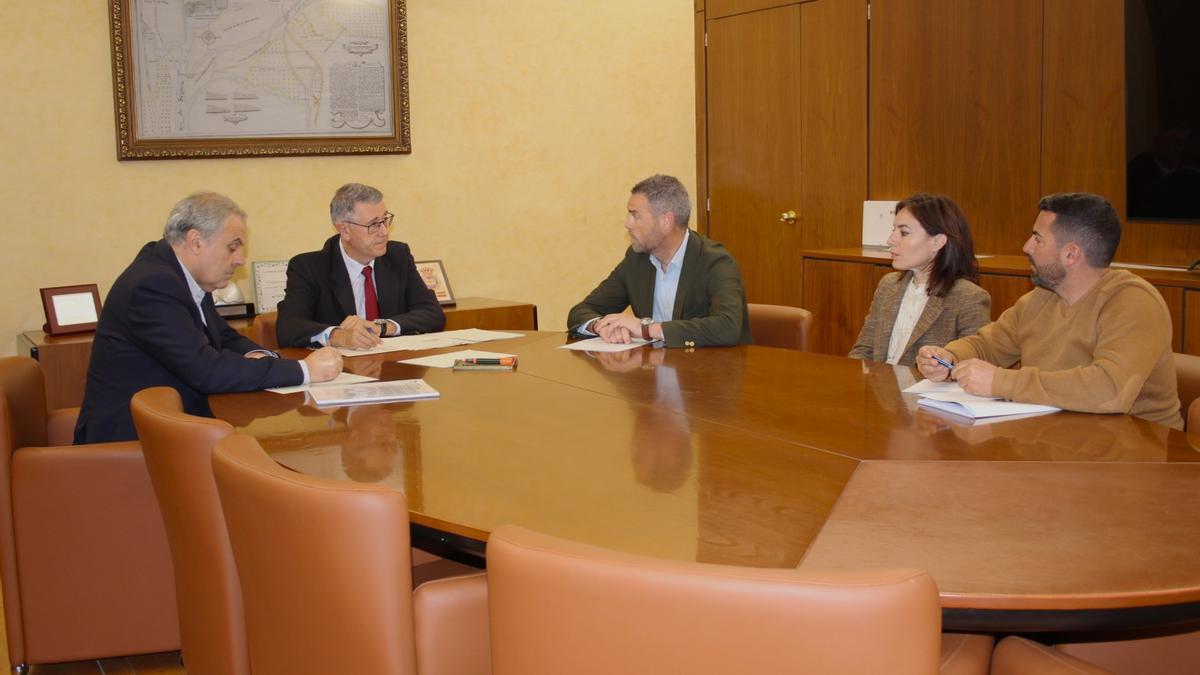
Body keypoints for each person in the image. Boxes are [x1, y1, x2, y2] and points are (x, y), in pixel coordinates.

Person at [74, 192, 343, 444]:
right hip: (134, 442)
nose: (240, 259)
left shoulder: (177, 273)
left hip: (176, 425)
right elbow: (207, 371)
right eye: (233, 247)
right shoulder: (154, 285)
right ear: (196, 241)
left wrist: (260, 355)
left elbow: (223, 337)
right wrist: (305, 370)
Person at [916, 192, 1182, 429]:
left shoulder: (1133, 301)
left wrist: (1002, 382)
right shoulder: (1041, 298)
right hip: (1061, 441)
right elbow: (988, 345)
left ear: (1071, 254)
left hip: (1138, 456)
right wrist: (949, 358)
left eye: (1037, 239)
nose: (1026, 247)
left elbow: (1109, 389)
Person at [566, 174, 750, 348]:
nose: (627, 224)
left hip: (709, 375)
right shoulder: (637, 259)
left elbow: (728, 326)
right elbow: (583, 310)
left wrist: (647, 329)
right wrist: (601, 325)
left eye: (636, 215)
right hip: (652, 373)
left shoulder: (715, 261)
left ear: (666, 221)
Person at [275, 183, 445, 349]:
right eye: (374, 224)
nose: (385, 232)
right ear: (345, 230)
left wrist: (384, 326)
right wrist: (339, 335)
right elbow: (289, 327)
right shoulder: (308, 268)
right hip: (340, 370)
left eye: (385, 220)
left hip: (393, 364)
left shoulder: (398, 255)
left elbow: (432, 313)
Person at [849, 193, 991, 366]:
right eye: (893, 230)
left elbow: (973, 366)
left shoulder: (969, 297)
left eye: (904, 232)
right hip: (879, 388)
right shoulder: (889, 285)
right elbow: (863, 350)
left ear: (937, 242)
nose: (890, 240)